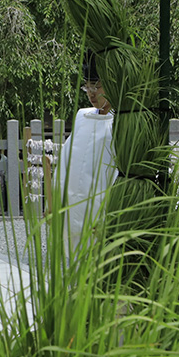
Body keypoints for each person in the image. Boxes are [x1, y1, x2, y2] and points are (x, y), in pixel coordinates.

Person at [60, 58, 116, 253]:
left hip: (101, 210)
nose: (91, 93)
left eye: (97, 87)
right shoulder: (82, 117)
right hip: (74, 207)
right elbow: (66, 163)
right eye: (88, 87)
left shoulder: (119, 124)